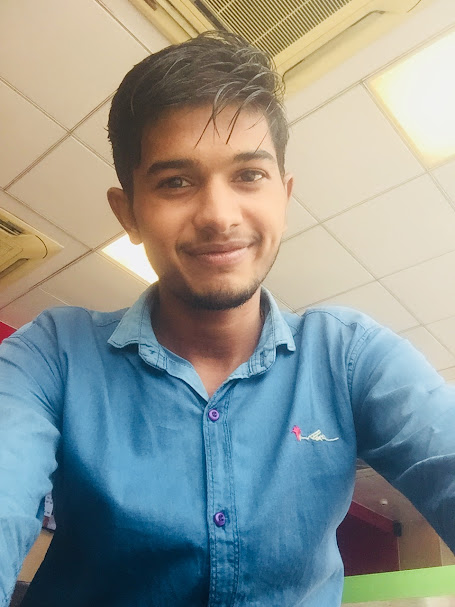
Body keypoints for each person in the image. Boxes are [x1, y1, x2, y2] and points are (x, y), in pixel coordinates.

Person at [0, 30, 454, 607]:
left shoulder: (349, 356)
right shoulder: (52, 355)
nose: (218, 215)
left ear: (284, 196)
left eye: (249, 175)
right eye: (175, 182)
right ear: (128, 212)